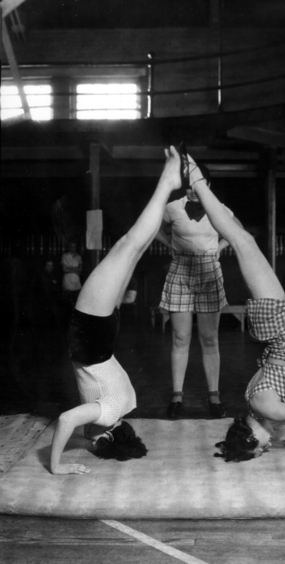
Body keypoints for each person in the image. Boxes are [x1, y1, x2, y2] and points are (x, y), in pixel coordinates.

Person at [185, 152, 285, 475]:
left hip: (279, 329)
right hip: (276, 334)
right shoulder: (264, 409)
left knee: (241, 240)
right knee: (242, 240)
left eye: (258, 446)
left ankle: (198, 183)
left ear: (248, 432)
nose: (267, 446)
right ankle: (198, 184)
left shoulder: (266, 408)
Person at [50, 146, 182, 475]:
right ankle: (167, 183)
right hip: (91, 335)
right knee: (128, 245)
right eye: (91, 441)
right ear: (104, 437)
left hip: (105, 336)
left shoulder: (126, 405)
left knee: (133, 248)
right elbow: (67, 420)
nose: (86, 439)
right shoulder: (106, 414)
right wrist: (58, 467)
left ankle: (167, 186)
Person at [155, 154, 243, 419]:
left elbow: (237, 231)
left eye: (198, 186)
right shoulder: (173, 207)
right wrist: (168, 243)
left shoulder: (219, 209)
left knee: (209, 338)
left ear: (208, 185)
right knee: (180, 337)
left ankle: (214, 398)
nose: (193, 191)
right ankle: (177, 398)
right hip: (180, 270)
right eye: (189, 186)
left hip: (209, 272)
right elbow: (153, 227)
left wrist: (220, 248)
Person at [61, 242, 82, 309]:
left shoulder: (79, 257)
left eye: (74, 246)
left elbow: (80, 269)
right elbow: (64, 269)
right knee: (68, 301)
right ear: (68, 247)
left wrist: (69, 267)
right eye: (71, 246)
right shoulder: (65, 256)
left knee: (76, 300)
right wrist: (75, 269)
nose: (73, 248)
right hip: (67, 279)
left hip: (76, 280)